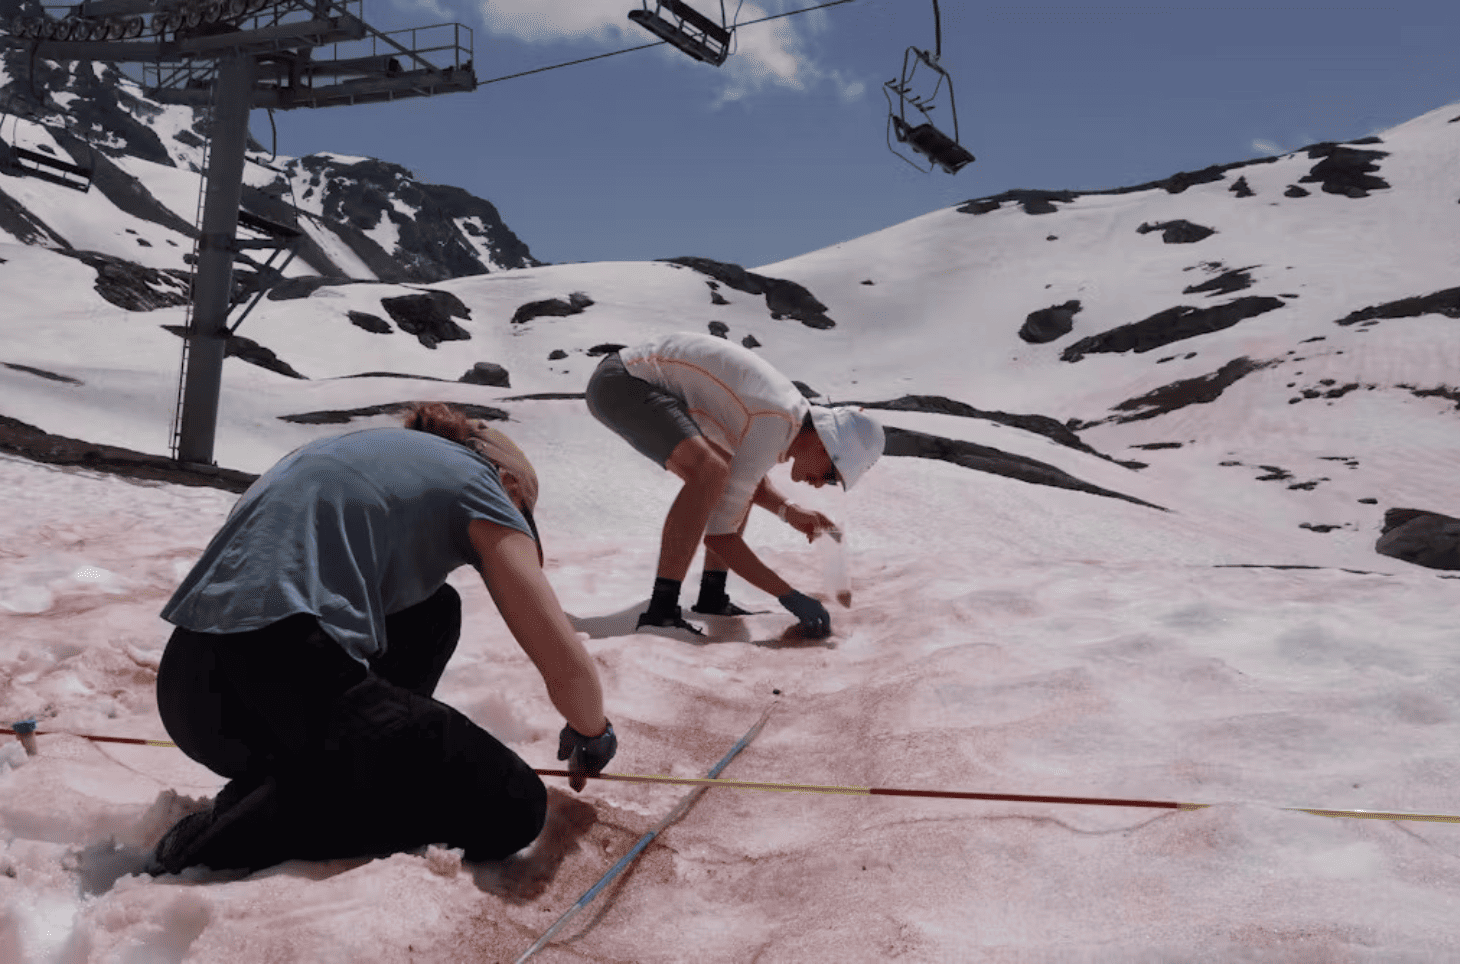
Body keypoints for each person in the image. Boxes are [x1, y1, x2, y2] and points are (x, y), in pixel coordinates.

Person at [143, 403, 617, 876]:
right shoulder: (481, 483)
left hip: (193, 690)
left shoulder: (372, 456)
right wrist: (592, 730)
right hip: (286, 661)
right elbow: (558, 652)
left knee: (435, 609)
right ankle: (239, 837)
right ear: (510, 485)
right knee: (512, 807)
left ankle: (328, 778)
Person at [585, 332, 885, 638]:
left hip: (627, 380)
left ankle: (711, 597)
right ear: (825, 446)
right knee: (709, 473)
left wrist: (789, 511)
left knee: (726, 476)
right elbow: (720, 538)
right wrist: (789, 595)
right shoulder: (774, 421)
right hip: (622, 382)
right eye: (831, 475)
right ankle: (661, 611)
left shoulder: (785, 418)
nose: (822, 485)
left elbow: (745, 484)